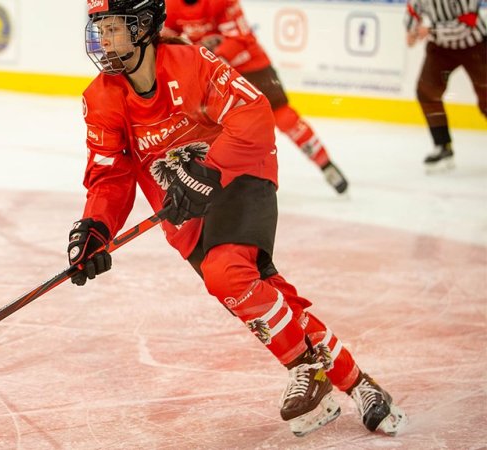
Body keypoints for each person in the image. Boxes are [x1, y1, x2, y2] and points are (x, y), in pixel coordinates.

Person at [70, 0, 406, 437]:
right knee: (266, 294)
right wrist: (96, 228)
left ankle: (308, 369)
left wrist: (209, 167)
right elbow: (110, 176)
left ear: (145, 26)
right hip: (185, 213)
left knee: (226, 274)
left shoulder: (190, 63)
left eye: (113, 27)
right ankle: (359, 385)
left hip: (240, 174)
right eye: (99, 29)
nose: (104, 40)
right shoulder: (101, 99)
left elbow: (253, 112)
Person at [159, 0, 348, 194]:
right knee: (212, 126)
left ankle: (325, 164)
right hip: (214, 72)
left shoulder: (221, 2)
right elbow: (169, 38)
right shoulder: (173, 5)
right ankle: (225, 176)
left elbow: (240, 39)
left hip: (251, 67)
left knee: (284, 116)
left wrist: (208, 60)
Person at [406, 0, 486, 170]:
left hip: (475, 46)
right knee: (427, 92)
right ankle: (443, 146)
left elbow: (467, 24)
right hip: (441, 48)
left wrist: (432, 30)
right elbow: (414, 9)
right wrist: (411, 30)